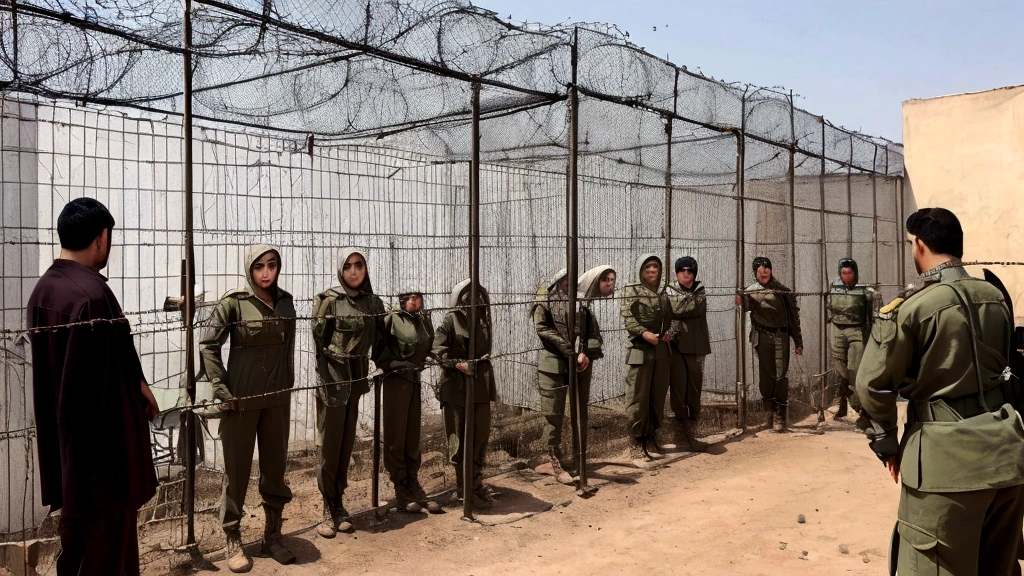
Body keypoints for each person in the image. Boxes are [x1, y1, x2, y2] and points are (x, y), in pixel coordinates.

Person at [856, 208, 1024, 575]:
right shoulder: (995, 296)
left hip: (944, 467)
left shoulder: (912, 308)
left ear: (919, 245)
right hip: (1007, 460)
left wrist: (887, 440)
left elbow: (871, 384)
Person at [27, 198, 159, 576]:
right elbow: (108, 387)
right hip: (104, 467)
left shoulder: (44, 290)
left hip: (69, 458)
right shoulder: (92, 296)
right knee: (108, 559)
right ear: (101, 237)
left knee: (79, 557)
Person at [199, 244, 297, 572]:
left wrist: (287, 385)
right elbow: (209, 345)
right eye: (259, 267)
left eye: (272, 265)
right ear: (250, 270)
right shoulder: (234, 304)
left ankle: (273, 535)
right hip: (240, 402)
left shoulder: (285, 302)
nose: (266, 272)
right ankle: (233, 537)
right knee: (237, 472)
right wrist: (222, 390)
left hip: (276, 401)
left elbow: (288, 348)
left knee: (274, 469)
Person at [312, 249, 385, 537]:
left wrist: (380, 365)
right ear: (340, 270)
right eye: (348, 266)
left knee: (346, 443)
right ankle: (327, 506)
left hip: (357, 378)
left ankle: (339, 502)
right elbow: (319, 344)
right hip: (333, 379)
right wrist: (327, 381)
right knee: (330, 446)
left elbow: (380, 337)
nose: (354, 272)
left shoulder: (372, 302)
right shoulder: (328, 300)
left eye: (359, 265)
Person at [530, 266, 616, 484]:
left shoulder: (579, 302)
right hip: (553, 364)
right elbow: (543, 330)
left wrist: (585, 353)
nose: (569, 286)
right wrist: (571, 351)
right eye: (565, 282)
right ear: (558, 282)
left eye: (572, 282)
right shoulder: (545, 299)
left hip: (578, 364)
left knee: (580, 411)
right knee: (553, 414)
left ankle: (579, 457)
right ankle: (553, 460)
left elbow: (592, 332)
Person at [432, 279, 496, 509]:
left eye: (479, 296)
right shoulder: (451, 320)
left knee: (480, 434)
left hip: (479, 385)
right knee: (458, 439)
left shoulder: (483, 320)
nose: (476, 301)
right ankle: (463, 488)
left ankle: (476, 482)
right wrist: (458, 363)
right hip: (456, 388)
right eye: (470, 296)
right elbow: (437, 350)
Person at [377, 288, 441, 514]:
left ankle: (413, 484)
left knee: (412, 434)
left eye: (419, 297)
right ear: (402, 300)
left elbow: (430, 345)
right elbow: (378, 348)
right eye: (411, 297)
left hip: (415, 378)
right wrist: (391, 364)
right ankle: (400, 488)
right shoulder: (391, 319)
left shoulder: (423, 321)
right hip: (397, 380)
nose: (416, 301)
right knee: (396, 434)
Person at [736, 257, 803, 432]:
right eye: (760, 270)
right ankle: (769, 415)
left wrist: (798, 341)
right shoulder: (750, 291)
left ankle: (781, 415)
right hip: (762, 336)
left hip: (780, 335)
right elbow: (744, 307)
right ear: (755, 272)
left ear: (771, 271)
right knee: (766, 375)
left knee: (780, 375)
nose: (764, 272)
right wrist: (740, 300)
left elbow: (793, 318)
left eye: (767, 269)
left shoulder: (782, 292)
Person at [621, 254, 674, 460]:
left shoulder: (663, 292)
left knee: (657, 395)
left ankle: (652, 436)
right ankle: (636, 440)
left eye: (656, 267)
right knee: (637, 396)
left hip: (660, 349)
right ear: (640, 270)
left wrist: (668, 332)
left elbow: (669, 318)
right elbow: (628, 320)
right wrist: (644, 333)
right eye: (648, 267)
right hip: (640, 348)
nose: (652, 271)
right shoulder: (631, 290)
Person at [666, 256, 710, 452]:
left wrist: (681, 305)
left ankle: (692, 430)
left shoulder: (700, 290)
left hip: (696, 346)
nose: (686, 274)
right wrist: (682, 305)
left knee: (694, 387)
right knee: (678, 387)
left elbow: (695, 307)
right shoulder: (669, 290)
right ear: (676, 273)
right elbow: (673, 308)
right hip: (676, 346)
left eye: (690, 271)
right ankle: (683, 432)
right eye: (682, 271)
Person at [826, 258, 875, 430]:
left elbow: (872, 313)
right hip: (837, 330)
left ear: (855, 273)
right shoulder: (834, 287)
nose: (846, 276)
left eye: (850, 273)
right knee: (841, 369)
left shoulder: (863, 290)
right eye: (844, 272)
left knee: (854, 371)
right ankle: (843, 401)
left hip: (856, 330)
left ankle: (863, 411)